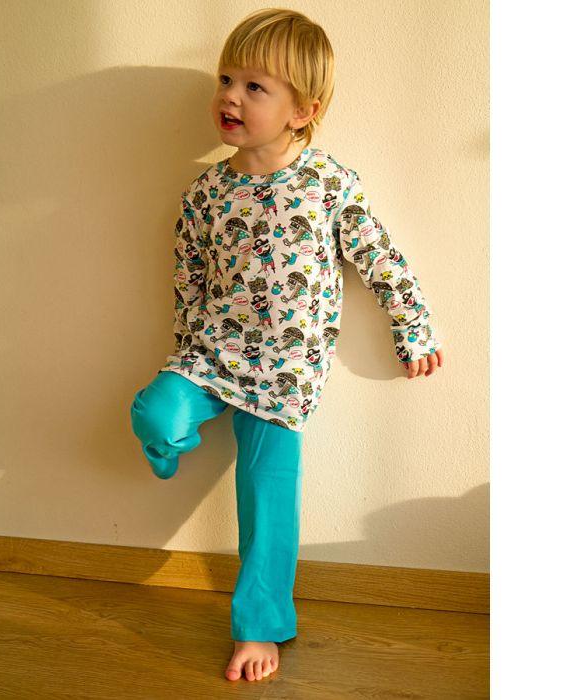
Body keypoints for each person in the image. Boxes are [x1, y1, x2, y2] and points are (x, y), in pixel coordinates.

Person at [130, 7, 445, 683]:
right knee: (155, 413)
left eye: (255, 87)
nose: (230, 97)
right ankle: (167, 451)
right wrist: (184, 353)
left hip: (286, 370)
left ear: (304, 111)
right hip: (213, 353)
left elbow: (379, 257)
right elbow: (188, 279)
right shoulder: (205, 194)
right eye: (226, 79)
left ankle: (259, 627)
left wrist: (412, 326)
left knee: (267, 499)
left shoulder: (329, 183)